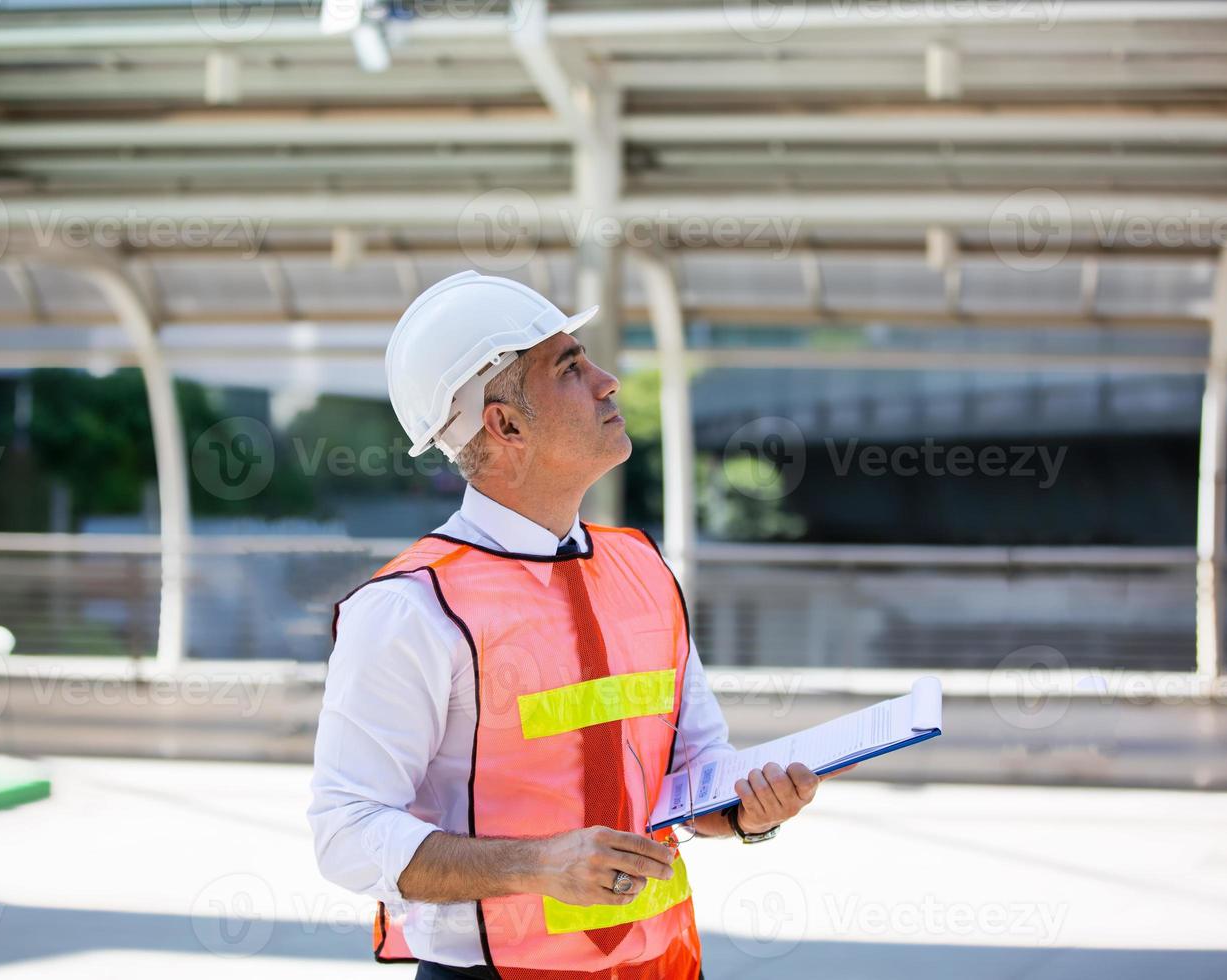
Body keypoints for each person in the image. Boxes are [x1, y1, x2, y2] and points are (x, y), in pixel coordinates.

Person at [309, 271, 839, 980]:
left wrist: (747, 809)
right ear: (505, 425)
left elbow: (693, 774)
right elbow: (345, 833)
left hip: (665, 966)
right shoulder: (411, 608)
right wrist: (534, 864)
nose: (608, 380)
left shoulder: (642, 567)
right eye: (571, 367)